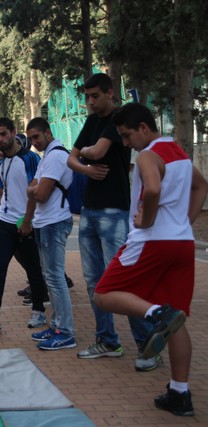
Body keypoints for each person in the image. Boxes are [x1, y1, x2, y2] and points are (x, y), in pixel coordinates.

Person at [94, 103, 208, 416]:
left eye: (127, 135)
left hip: (151, 241)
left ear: (144, 128)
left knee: (103, 294)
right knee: (177, 319)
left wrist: (147, 220)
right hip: (181, 244)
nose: (125, 143)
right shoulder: (179, 154)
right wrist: (184, 222)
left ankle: (157, 313)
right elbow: (202, 187)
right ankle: (179, 393)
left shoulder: (147, 155)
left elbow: (153, 188)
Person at [66, 73, 155, 369]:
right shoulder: (92, 121)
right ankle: (107, 340)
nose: (90, 102)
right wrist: (87, 168)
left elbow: (96, 152)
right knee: (94, 281)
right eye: (87, 97)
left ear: (109, 93)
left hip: (114, 211)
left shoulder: (119, 119)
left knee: (122, 279)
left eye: (95, 96)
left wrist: (84, 156)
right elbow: (71, 159)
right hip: (89, 211)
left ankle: (147, 345)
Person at [0, 117, 48, 331]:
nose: (0, 139)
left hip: (24, 222)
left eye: (3, 134)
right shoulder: (0, 163)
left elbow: (34, 192)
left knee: (33, 268)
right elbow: (3, 194)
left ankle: (38, 310)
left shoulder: (29, 159)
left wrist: (27, 221)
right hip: (4, 221)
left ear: (13, 132)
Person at [25, 118, 76, 350]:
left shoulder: (55, 156)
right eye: (30, 139)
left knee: (55, 278)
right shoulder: (47, 157)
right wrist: (35, 188)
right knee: (50, 278)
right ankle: (56, 325)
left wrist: (34, 189)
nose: (34, 142)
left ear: (48, 132)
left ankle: (65, 332)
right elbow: (33, 186)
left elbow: (40, 194)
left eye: (36, 137)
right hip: (46, 222)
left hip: (55, 222)